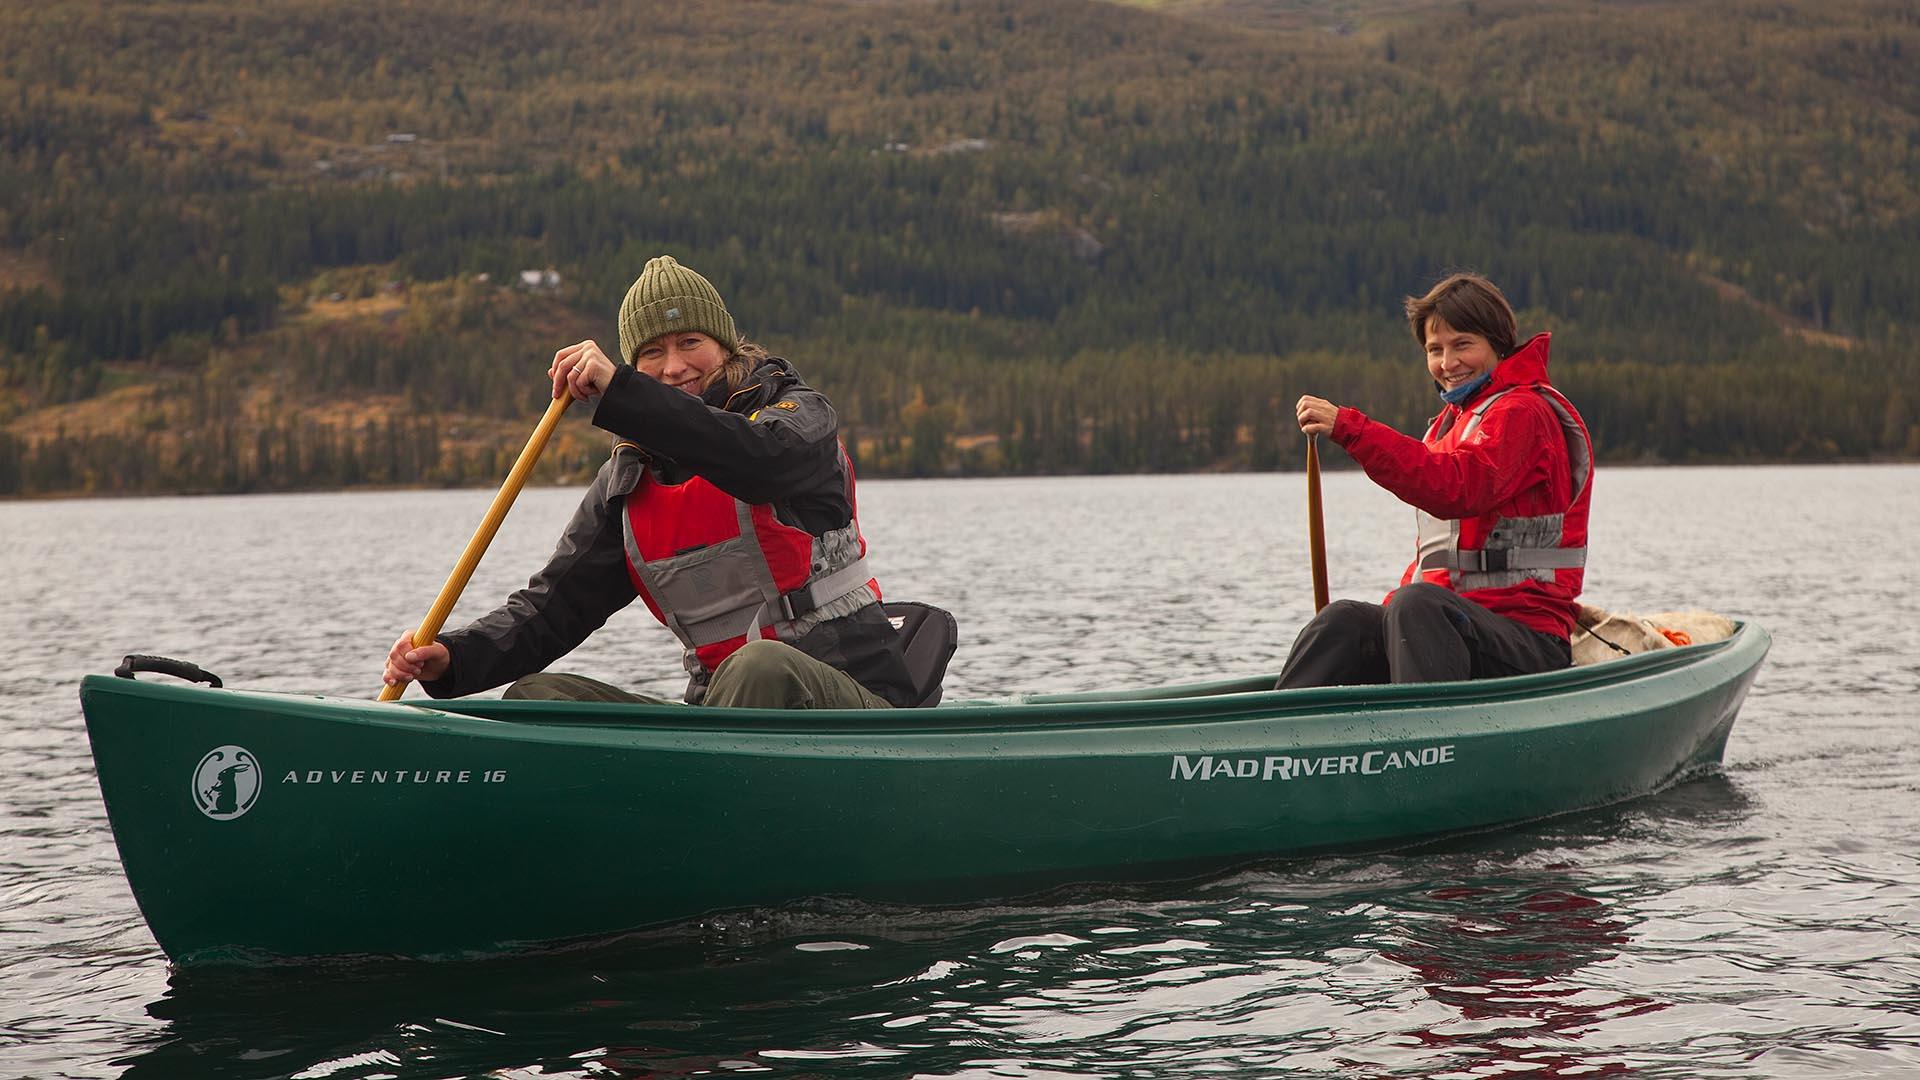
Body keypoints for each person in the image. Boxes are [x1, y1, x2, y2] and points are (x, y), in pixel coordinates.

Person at [382, 255, 915, 709]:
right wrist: (453, 659)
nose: (674, 366)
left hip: (855, 703)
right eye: (651, 353)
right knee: (539, 698)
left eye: (690, 342)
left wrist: (625, 392)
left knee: (762, 666)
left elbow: (755, 459)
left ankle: (717, 816)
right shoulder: (627, 481)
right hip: (722, 716)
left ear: (726, 346)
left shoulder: (798, 417)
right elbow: (554, 608)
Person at [1277, 272, 1593, 688]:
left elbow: (1457, 486)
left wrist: (1351, 429)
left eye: (1462, 344)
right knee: (1345, 621)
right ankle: (1274, 737)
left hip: (1528, 638)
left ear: (1497, 344)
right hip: (1449, 627)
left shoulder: (1524, 413)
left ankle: (1423, 742)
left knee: (1417, 606)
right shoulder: (1448, 426)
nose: (1447, 363)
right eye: (1434, 349)